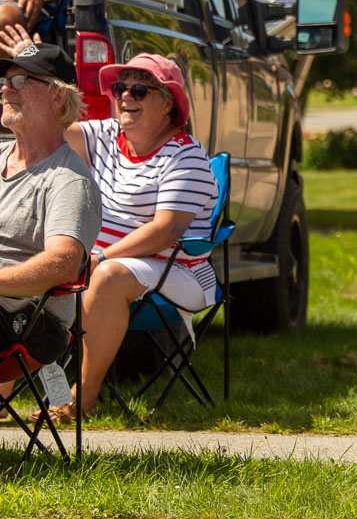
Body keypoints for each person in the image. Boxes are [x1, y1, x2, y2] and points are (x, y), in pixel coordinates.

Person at [0, 39, 223, 422]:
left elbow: (165, 231)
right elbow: (48, 135)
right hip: (91, 265)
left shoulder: (186, 155)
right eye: (119, 89)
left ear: (167, 102)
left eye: (139, 90)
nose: (124, 97)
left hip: (174, 269)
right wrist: (23, 78)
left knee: (107, 276)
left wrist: (100, 255)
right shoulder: (106, 137)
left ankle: (82, 397)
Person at [0, 42, 100, 388]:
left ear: (58, 97)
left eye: (20, 81)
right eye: (5, 81)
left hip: (32, 322)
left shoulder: (68, 180)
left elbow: (62, 264)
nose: (5, 90)